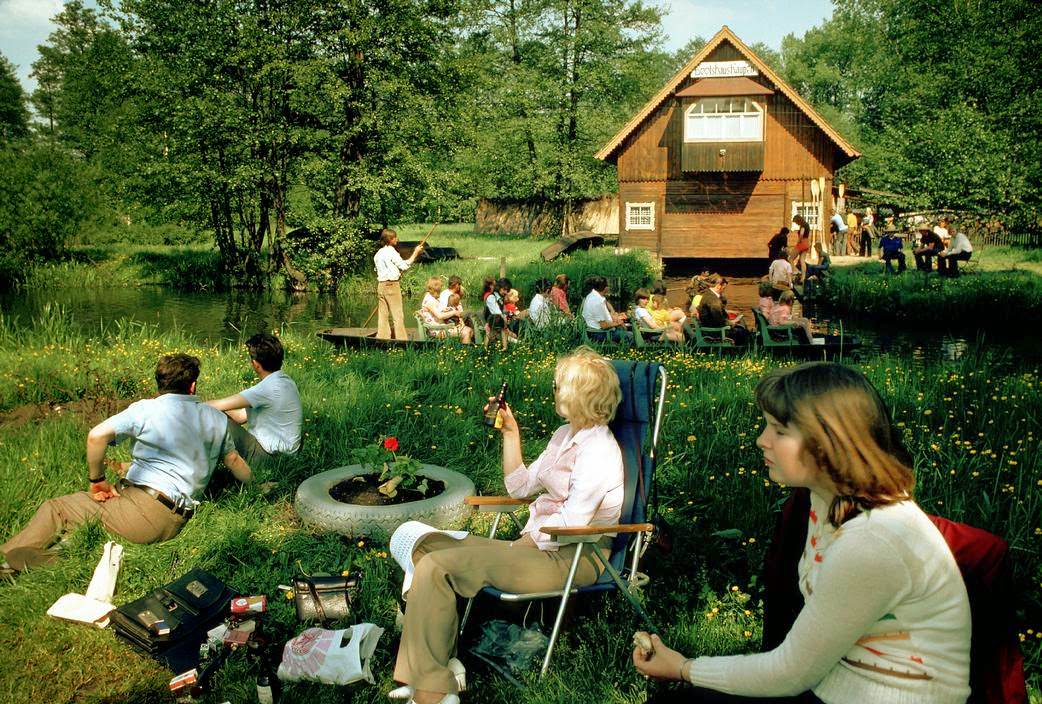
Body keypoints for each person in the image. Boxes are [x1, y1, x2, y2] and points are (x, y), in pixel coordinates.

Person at [632, 362, 971, 704]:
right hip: (835, 685)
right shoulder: (823, 501)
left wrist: (684, 668)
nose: (761, 440)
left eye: (779, 431)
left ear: (828, 444)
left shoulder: (871, 541)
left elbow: (789, 673)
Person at [391, 347, 624, 704]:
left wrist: (522, 545)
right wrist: (510, 433)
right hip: (541, 544)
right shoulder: (564, 436)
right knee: (428, 547)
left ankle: (434, 692)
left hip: (574, 555)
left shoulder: (599, 451)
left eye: (559, 384)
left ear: (581, 394)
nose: (554, 389)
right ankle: (440, 664)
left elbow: (573, 522)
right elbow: (520, 486)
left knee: (438, 565)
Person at [1, 354, 251, 574]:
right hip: (171, 518)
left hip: (143, 512)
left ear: (160, 384)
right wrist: (257, 486)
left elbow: (96, 436)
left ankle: (5, 560)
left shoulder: (145, 410)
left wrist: (97, 481)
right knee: (86, 518)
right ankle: (61, 555)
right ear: (193, 386)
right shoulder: (215, 417)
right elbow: (234, 461)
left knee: (57, 508)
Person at [206, 333, 303, 469]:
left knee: (213, 420)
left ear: (256, 365)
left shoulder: (266, 389)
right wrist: (223, 412)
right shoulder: (285, 381)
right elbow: (240, 417)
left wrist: (192, 403)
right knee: (218, 415)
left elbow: (217, 405)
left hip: (271, 458)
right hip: (287, 456)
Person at [375, 228, 424, 340]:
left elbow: (386, 269)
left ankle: (383, 338)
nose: (397, 239)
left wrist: (395, 272)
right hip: (392, 286)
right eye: (395, 237)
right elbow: (404, 266)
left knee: (383, 315)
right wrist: (416, 253)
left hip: (381, 286)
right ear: (390, 239)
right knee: (398, 315)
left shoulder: (378, 253)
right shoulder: (391, 252)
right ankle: (402, 340)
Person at [697, 274, 749, 345]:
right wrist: (732, 323)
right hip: (714, 332)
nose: (723, 291)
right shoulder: (713, 300)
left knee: (740, 328)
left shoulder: (708, 295)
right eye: (723, 288)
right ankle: (740, 352)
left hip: (710, 326)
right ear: (718, 286)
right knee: (742, 331)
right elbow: (719, 320)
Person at [421, 277, 473, 343]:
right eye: (441, 286)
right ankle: (463, 351)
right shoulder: (429, 300)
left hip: (442, 326)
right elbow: (439, 316)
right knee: (467, 332)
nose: (441, 288)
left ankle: (460, 349)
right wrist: (453, 312)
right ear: (436, 287)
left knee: (469, 330)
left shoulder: (433, 298)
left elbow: (438, 311)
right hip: (436, 330)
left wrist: (447, 309)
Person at [581, 275, 631, 344]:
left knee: (626, 327)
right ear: (606, 288)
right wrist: (618, 323)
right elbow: (604, 326)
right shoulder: (597, 302)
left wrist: (613, 314)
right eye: (608, 286)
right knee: (631, 336)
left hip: (597, 330)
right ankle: (624, 351)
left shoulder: (593, 295)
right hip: (599, 334)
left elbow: (605, 303)